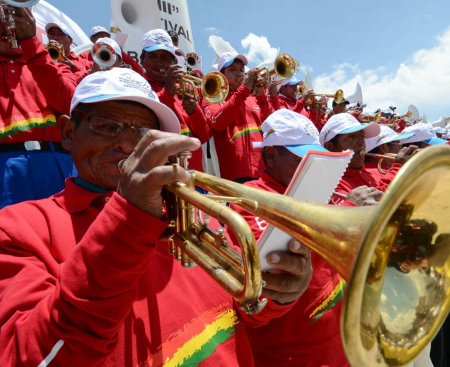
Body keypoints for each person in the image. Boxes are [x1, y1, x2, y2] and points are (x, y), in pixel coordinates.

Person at [0, 68, 314, 366]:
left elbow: (248, 311)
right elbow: (31, 358)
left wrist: (277, 294)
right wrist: (128, 217)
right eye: (107, 126)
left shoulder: (197, 214)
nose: (126, 143)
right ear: (68, 133)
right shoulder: (18, 228)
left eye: (143, 134)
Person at [231, 109, 380, 366]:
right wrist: (349, 213)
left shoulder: (314, 191)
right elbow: (276, 261)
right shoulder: (250, 197)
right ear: (272, 154)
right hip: (294, 355)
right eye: (302, 158)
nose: (312, 167)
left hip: (342, 345)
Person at [0, 6, 77, 208]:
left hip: (57, 161)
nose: (8, 30)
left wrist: (32, 46)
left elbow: (71, 106)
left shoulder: (55, 64)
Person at [140, 29, 209, 171]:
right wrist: (168, 93)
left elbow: (203, 136)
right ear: (142, 61)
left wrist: (194, 111)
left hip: (193, 172)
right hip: (160, 172)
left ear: (173, 63)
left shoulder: (184, 87)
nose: (158, 63)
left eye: (165, 58)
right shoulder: (138, 86)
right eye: (152, 56)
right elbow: (148, 123)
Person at [202, 52, 274, 182]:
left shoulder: (252, 97)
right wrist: (244, 90)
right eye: (232, 69)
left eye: (241, 70)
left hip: (263, 170)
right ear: (221, 75)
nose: (239, 73)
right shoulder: (213, 97)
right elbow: (217, 123)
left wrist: (262, 96)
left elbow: (272, 126)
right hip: (234, 174)